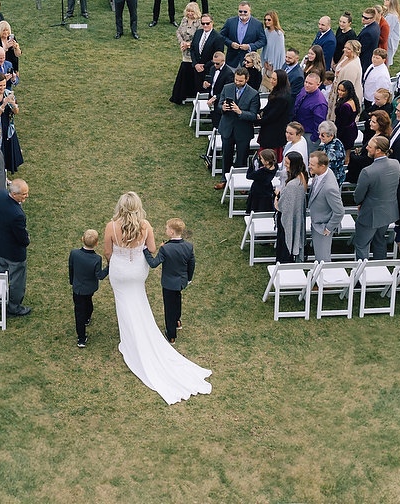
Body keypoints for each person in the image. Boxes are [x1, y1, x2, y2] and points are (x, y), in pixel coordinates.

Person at [103, 193, 211, 402]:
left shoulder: (111, 226)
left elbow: (108, 252)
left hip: (119, 270)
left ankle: (130, 341)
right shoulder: (145, 225)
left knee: (124, 303)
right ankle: (138, 332)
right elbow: (152, 249)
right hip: (137, 271)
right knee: (138, 299)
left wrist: (117, 262)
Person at [352, 135, 399, 260]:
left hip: (370, 214)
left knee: (361, 245)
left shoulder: (368, 171)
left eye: (370, 146)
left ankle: (362, 276)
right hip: (388, 212)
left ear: (378, 150)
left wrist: (360, 202)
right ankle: (380, 269)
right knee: (379, 240)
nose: (366, 148)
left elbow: (358, 195)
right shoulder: (396, 164)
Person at [0, 179, 32, 316]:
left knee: (1, 272)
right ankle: (14, 307)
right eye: (24, 194)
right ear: (14, 195)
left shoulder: (1, 195)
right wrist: (27, 239)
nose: (26, 196)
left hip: (1, 244)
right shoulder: (18, 214)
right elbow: (22, 238)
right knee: (17, 280)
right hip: (14, 252)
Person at [69, 229, 109, 348]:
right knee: (88, 303)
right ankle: (87, 318)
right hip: (90, 289)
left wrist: (72, 281)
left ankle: (81, 338)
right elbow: (100, 276)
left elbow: (71, 268)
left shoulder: (74, 253)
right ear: (96, 243)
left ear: (82, 239)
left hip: (77, 289)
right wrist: (109, 267)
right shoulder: (97, 259)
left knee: (78, 312)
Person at [303, 151, 343, 261]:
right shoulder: (321, 174)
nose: (309, 166)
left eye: (312, 165)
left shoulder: (329, 187)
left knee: (323, 258)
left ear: (322, 166)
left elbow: (339, 211)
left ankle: (324, 277)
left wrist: (328, 228)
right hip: (317, 222)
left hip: (323, 226)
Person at [218, 69, 259, 172]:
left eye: (240, 81)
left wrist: (240, 112)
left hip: (243, 131)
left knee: (241, 159)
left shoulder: (253, 94)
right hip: (227, 129)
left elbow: (254, 115)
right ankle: (224, 179)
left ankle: (239, 180)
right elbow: (219, 104)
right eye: (236, 79)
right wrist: (222, 107)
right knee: (226, 156)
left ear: (247, 79)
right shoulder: (227, 88)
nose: (237, 82)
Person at [275, 153, 309, 263]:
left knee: (284, 245)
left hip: (287, 220)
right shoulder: (301, 176)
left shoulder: (293, 185)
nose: (285, 165)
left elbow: (281, 206)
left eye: (287, 163)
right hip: (293, 215)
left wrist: (277, 197)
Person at [169, 2, 205, 104]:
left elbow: (199, 38)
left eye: (192, 11)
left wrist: (188, 44)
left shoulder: (199, 23)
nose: (189, 13)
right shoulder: (184, 20)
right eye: (188, 11)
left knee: (190, 70)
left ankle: (193, 93)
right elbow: (178, 32)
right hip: (185, 51)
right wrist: (182, 43)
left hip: (194, 52)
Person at [246, 147, 278, 214]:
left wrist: (252, 164)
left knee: (258, 206)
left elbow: (249, 176)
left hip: (258, 191)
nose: (260, 160)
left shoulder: (262, 172)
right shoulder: (274, 166)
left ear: (267, 162)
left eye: (261, 159)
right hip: (267, 189)